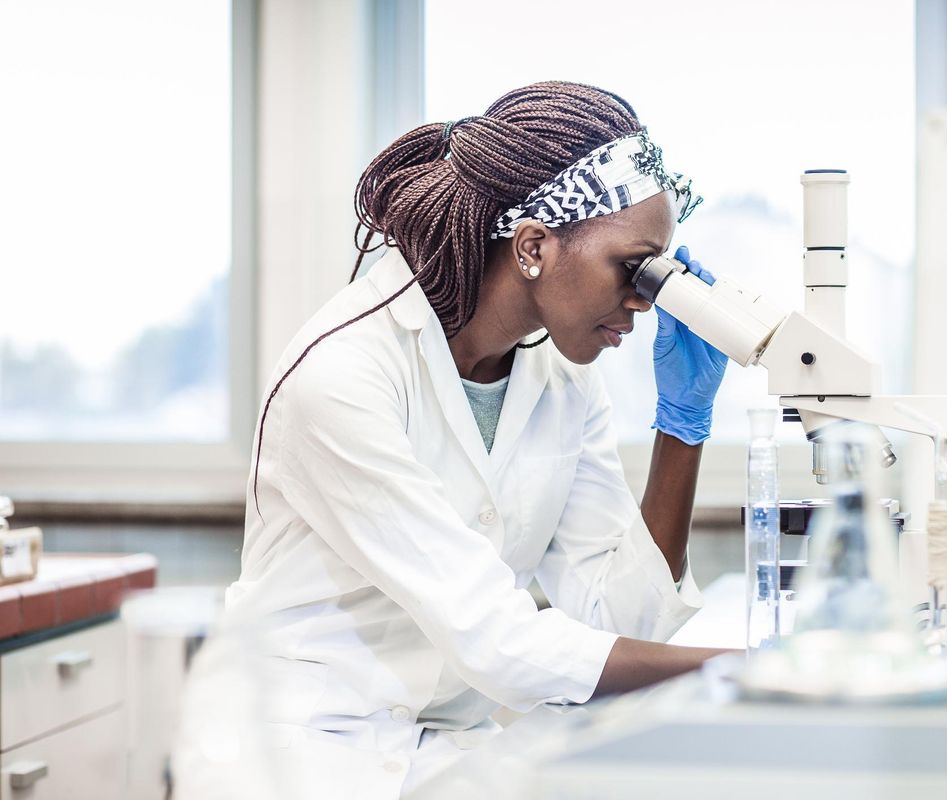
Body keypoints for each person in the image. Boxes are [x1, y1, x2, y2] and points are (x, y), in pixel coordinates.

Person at [223, 81, 730, 796]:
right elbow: (497, 641)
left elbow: (615, 620)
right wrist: (747, 670)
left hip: (447, 750)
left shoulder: (562, 376)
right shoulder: (341, 376)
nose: (644, 300)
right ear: (533, 246)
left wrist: (681, 429)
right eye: (632, 267)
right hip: (303, 753)